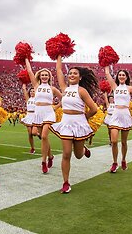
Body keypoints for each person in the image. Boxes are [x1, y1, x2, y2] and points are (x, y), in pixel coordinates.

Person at [49, 55, 98, 193]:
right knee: (66, 154)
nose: (71, 75)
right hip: (65, 123)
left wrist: (84, 118)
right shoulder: (64, 88)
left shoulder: (82, 91)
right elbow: (58, 69)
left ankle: (83, 150)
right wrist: (59, 54)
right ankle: (65, 183)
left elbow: (94, 109)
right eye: (70, 73)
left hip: (79, 124)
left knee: (78, 155)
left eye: (75, 73)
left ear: (80, 77)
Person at [25, 58, 62, 174]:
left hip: (49, 112)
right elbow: (30, 71)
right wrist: (26, 57)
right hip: (38, 113)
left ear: (49, 77)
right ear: (39, 77)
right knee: (42, 136)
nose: (44, 76)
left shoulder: (53, 88)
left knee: (44, 136)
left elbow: (64, 98)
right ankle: (50, 156)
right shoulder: (36, 86)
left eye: (46, 75)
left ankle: (43, 162)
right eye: (42, 75)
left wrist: (56, 107)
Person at [104, 66, 132, 173]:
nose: (121, 76)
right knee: (114, 141)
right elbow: (107, 74)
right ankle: (115, 162)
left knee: (124, 142)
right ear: (117, 77)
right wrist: (106, 63)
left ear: (126, 77)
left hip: (125, 115)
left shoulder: (130, 88)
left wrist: (129, 107)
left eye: (123, 75)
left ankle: (124, 160)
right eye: (119, 75)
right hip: (115, 115)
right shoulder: (115, 87)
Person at [20, 83, 38, 154]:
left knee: (33, 132)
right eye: (31, 91)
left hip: (35, 116)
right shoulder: (28, 99)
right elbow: (24, 91)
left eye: (33, 91)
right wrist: (24, 85)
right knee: (30, 134)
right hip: (29, 115)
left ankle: (38, 134)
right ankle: (32, 148)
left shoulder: (37, 99)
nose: (32, 92)